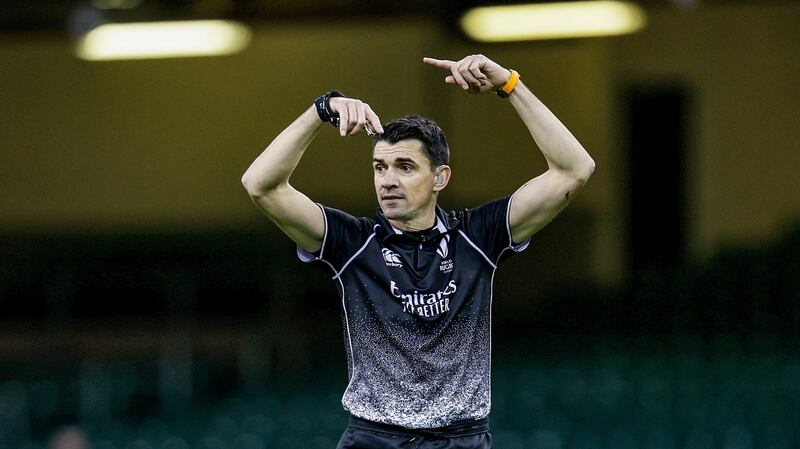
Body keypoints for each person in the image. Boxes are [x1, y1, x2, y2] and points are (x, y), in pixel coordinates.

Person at [242, 54, 595, 449]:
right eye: (380, 167)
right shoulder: (353, 243)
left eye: (405, 167)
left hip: (461, 439)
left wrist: (509, 84)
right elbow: (261, 185)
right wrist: (321, 109)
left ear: (440, 177)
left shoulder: (479, 236)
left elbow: (573, 170)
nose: (388, 181)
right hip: (372, 438)